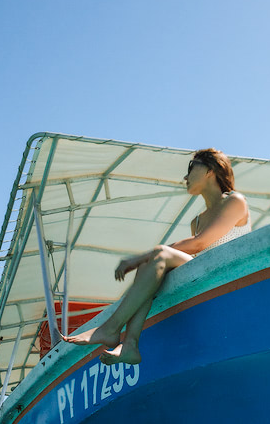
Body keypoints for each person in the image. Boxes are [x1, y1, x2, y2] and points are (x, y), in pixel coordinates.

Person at [61, 147, 250, 365]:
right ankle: (130, 344)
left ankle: (111, 328)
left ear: (210, 169)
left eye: (191, 168)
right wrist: (146, 260)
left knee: (156, 255)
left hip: (230, 276)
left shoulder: (235, 201)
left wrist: (139, 257)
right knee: (152, 264)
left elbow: (201, 243)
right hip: (206, 280)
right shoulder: (196, 221)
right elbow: (195, 251)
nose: (185, 177)